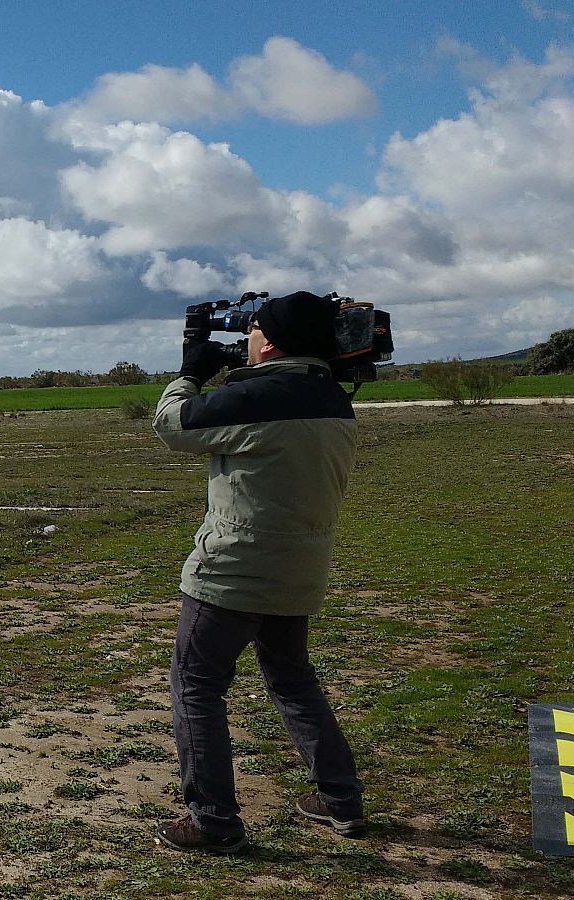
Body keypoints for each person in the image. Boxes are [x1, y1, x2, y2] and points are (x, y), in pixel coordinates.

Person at [151, 291, 366, 853]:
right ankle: (339, 797)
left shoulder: (257, 396)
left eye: (250, 332)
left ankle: (213, 821)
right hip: (301, 567)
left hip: (233, 571)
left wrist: (189, 373)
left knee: (196, 686)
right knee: (292, 678)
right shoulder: (332, 398)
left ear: (267, 343)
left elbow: (173, 425)